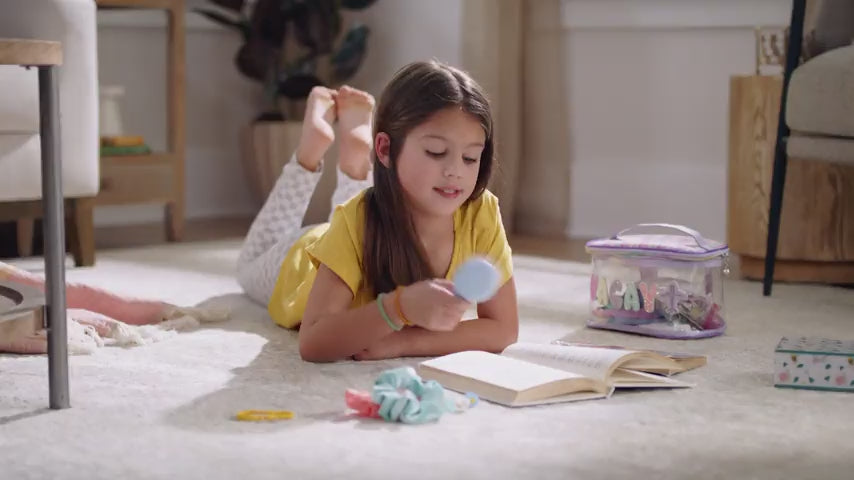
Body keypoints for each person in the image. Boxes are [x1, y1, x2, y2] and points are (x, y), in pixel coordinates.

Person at [236, 60, 519, 362]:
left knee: (363, 209)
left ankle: (355, 162)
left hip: (355, 225)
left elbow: (503, 330)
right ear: (384, 149)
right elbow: (313, 343)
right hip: (298, 261)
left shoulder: (482, 211)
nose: (455, 171)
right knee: (248, 264)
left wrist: (403, 342)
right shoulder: (356, 219)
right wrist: (399, 308)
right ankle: (307, 156)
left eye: (470, 157)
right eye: (436, 152)